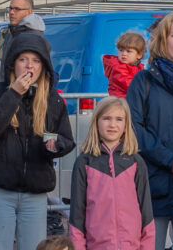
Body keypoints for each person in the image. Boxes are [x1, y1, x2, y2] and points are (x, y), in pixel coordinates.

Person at [0, 30, 75, 250]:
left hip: (35, 194)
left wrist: (55, 146)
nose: (30, 66)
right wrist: (14, 94)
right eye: (23, 60)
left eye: (36, 60)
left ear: (43, 66)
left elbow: (67, 138)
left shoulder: (53, 99)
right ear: (12, 64)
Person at [126, 10, 173, 250]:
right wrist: (170, 161)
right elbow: (134, 127)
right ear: (162, 39)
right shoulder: (144, 81)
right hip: (153, 185)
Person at [69, 97, 155, 250]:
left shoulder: (136, 162)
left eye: (119, 119)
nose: (113, 124)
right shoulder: (84, 162)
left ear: (126, 125)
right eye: (106, 118)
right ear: (96, 122)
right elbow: (76, 215)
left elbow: (146, 212)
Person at [104, 31, 146, 98]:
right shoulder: (118, 68)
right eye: (121, 50)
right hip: (121, 103)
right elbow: (127, 83)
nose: (124, 54)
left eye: (128, 51)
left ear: (139, 55)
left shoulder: (139, 67)